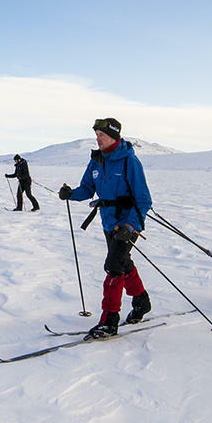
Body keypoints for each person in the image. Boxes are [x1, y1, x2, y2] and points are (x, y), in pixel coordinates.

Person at [57, 118, 152, 339]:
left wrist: (131, 225)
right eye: (97, 135)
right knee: (123, 262)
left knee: (113, 266)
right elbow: (87, 189)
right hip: (108, 221)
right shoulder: (96, 161)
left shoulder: (129, 161)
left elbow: (144, 200)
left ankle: (109, 320)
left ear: (114, 137)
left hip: (127, 223)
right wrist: (71, 194)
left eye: (102, 135)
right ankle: (141, 302)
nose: (98, 139)